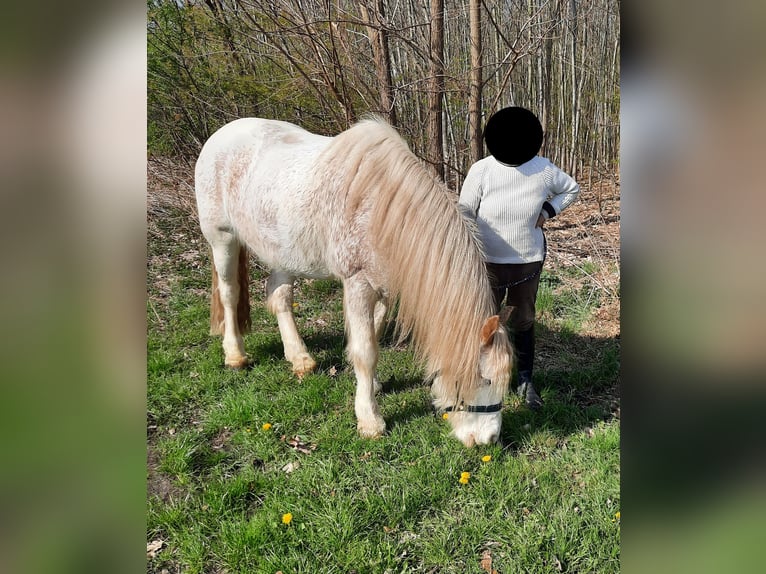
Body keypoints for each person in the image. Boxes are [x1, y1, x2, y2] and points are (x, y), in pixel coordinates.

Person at [459, 107, 580, 410]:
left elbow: (571, 189)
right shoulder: (482, 170)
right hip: (486, 262)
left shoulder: (543, 169)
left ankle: (525, 379)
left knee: (523, 319)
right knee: (485, 320)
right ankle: (482, 376)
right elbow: (464, 212)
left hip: (527, 261)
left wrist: (547, 212)